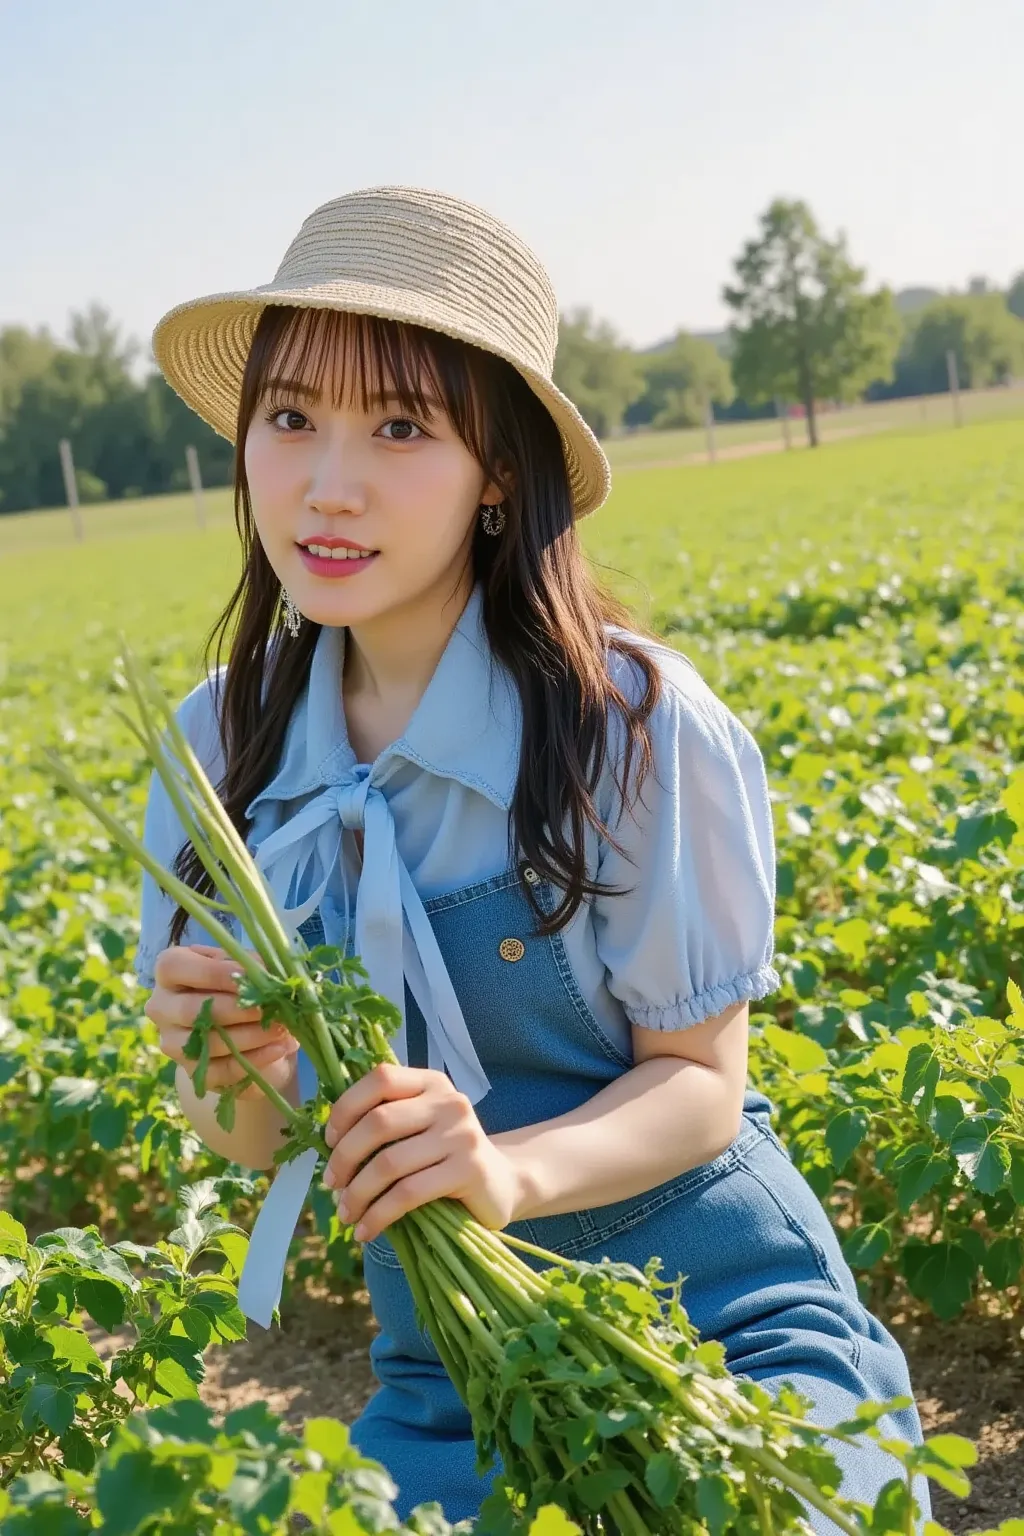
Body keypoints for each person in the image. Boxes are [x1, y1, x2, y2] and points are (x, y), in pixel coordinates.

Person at [136, 186, 931, 1530]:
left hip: (717, 1325)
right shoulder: (218, 748)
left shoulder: (631, 724)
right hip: (450, 1374)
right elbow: (253, 1137)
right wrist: (222, 1065)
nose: (329, 483)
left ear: (499, 469)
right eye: (291, 420)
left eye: (400, 426)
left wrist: (502, 1176)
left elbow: (699, 1089)